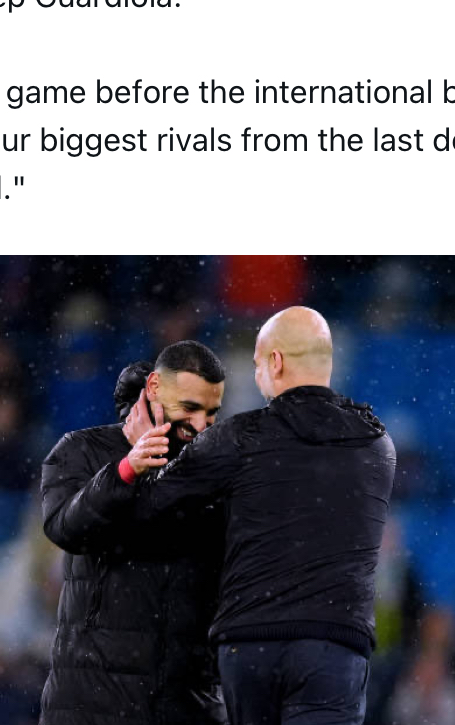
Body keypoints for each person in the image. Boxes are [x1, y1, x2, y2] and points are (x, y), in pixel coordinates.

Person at [117, 306, 396, 725]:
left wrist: (147, 450)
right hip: (333, 643)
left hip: (249, 644)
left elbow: (154, 503)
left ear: (276, 361)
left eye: (257, 363)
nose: (256, 374)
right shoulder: (376, 444)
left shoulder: (237, 437)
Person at [39, 341, 228, 725]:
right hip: (92, 701)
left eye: (211, 413)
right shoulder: (82, 450)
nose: (200, 425)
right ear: (155, 388)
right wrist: (127, 470)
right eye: (190, 408)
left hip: (185, 702)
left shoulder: (214, 470)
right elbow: (66, 528)